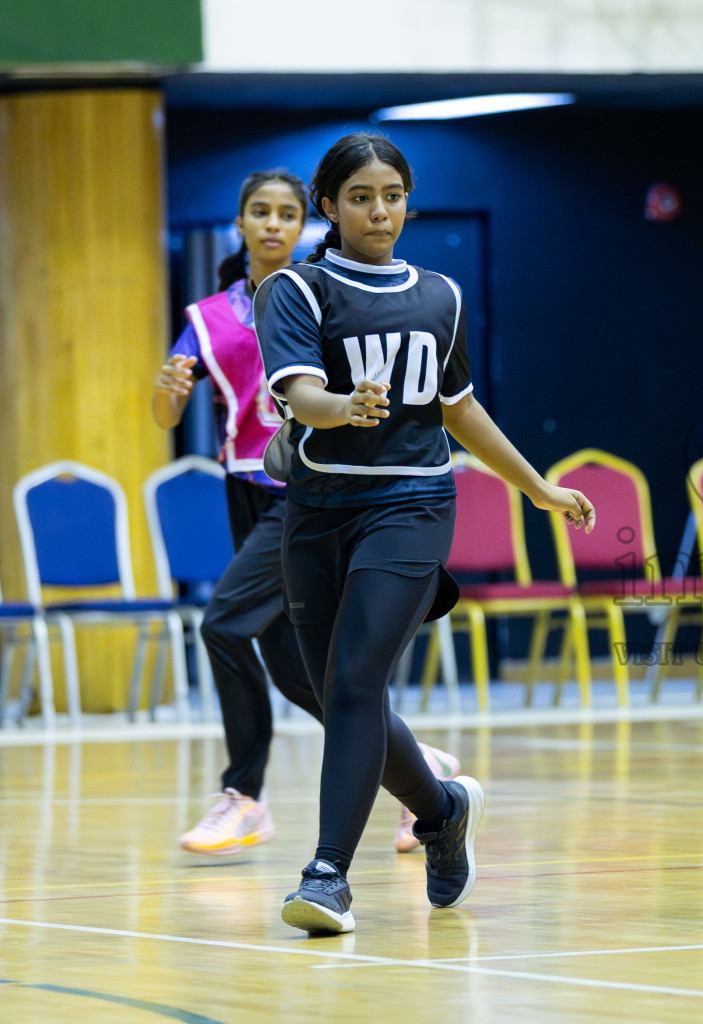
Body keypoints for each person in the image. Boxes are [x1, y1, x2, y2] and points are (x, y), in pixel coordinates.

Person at [254, 133, 595, 935]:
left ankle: (328, 876)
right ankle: (442, 811)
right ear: (329, 207)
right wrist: (342, 408)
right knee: (336, 692)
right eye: (363, 197)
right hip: (317, 514)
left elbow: (460, 407)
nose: (380, 210)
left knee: (353, 683)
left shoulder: (439, 294)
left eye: (394, 195)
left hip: (411, 507)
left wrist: (536, 485)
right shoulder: (296, 291)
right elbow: (301, 394)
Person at [153, 170, 460, 858]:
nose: (271, 224)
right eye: (258, 211)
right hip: (243, 492)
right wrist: (168, 392)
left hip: (303, 492)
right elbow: (166, 409)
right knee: (305, 678)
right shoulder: (209, 316)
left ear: (305, 223)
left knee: (224, 622)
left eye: (285, 214)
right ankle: (424, 771)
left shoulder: (319, 293)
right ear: (239, 223)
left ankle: (244, 796)